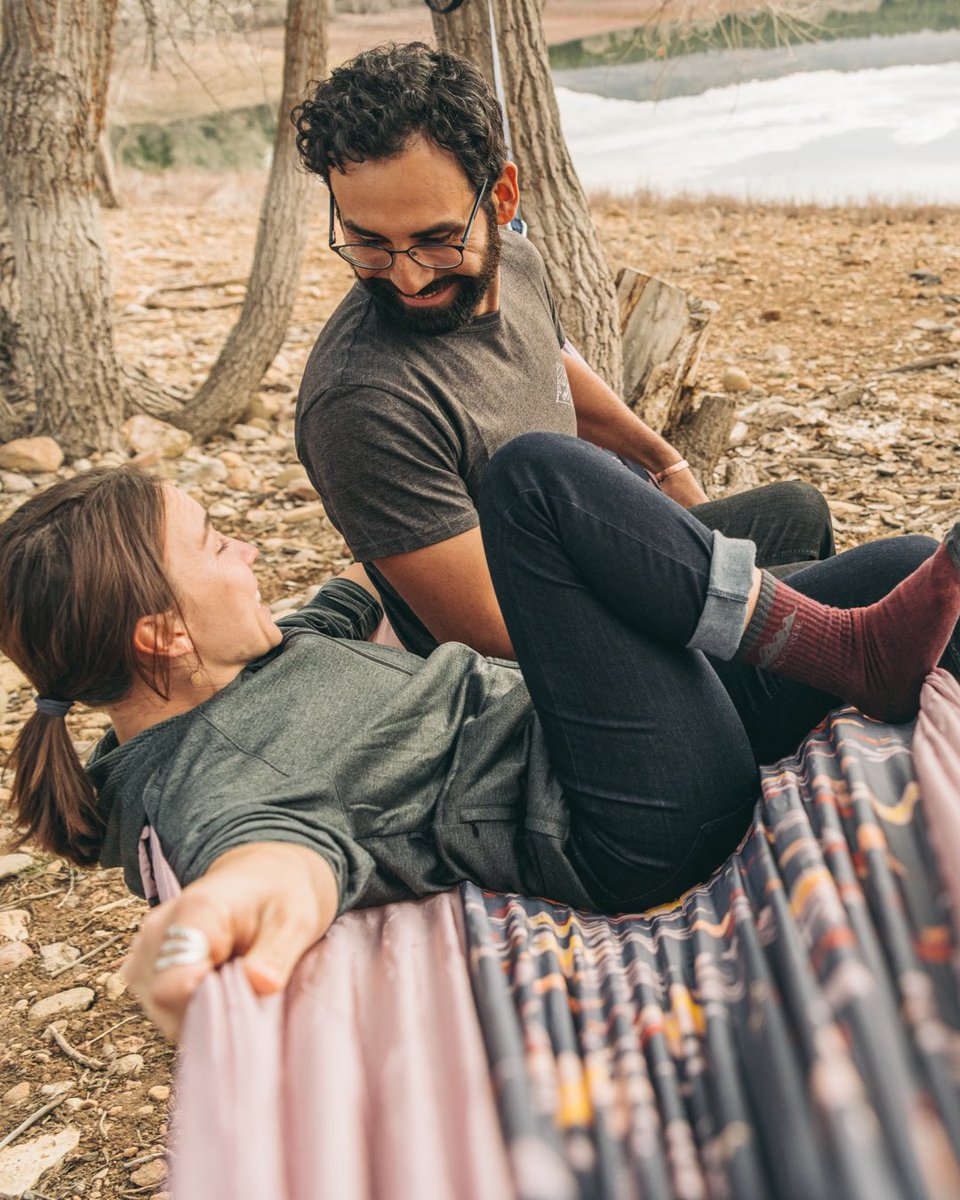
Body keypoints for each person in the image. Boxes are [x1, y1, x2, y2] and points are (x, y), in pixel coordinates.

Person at [1, 435, 957, 1038]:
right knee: (533, 481)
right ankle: (851, 654)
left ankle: (855, 646)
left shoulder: (250, 656)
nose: (246, 550)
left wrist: (424, 481)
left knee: (906, 568)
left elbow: (369, 583)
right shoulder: (218, 783)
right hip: (626, 815)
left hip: (621, 736)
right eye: (217, 545)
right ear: (163, 637)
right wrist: (215, 912)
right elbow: (272, 864)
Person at [292, 42, 835, 660]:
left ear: (502, 199)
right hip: (565, 668)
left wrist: (664, 464)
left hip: (604, 557)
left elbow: (550, 363)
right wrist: (716, 615)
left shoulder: (516, 261)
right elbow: (498, 636)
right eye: (368, 242)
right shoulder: (361, 407)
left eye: (437, 239)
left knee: (800, 513)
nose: (408, 278)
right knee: (859, 586)